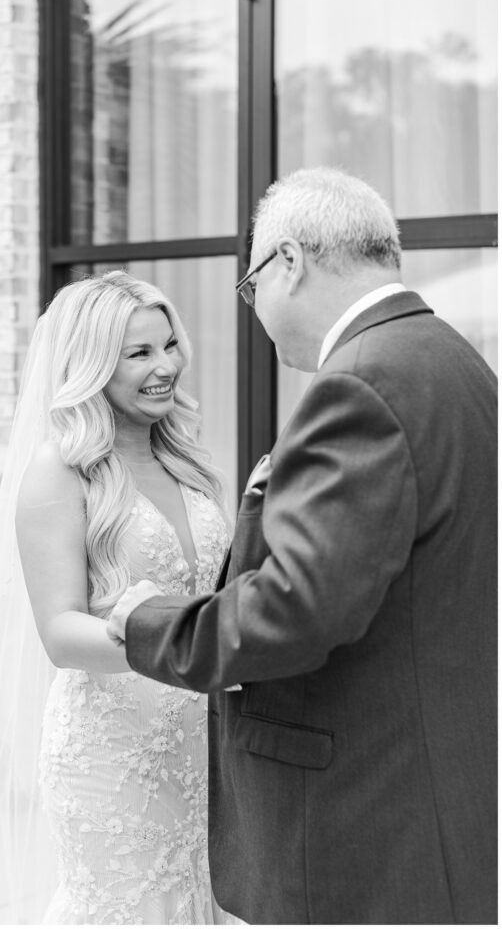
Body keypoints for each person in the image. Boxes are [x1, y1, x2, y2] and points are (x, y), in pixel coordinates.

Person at [108, 168, 498, 925]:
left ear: (288, 261)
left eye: (251, 286)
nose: (256, 311)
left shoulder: (358, 383)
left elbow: (294, 609)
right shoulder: (454, 360)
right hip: (443, 789)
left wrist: (147, 621)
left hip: (362, 821)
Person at [0, 271, 239, 925]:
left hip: (203, 743)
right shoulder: (58, 472)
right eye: (139, 353)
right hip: (112, 756)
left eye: (169, 346)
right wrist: (178, 646)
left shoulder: (187, 460)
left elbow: (216, 594)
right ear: (94, 364)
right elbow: (60, 633)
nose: (166, 368)